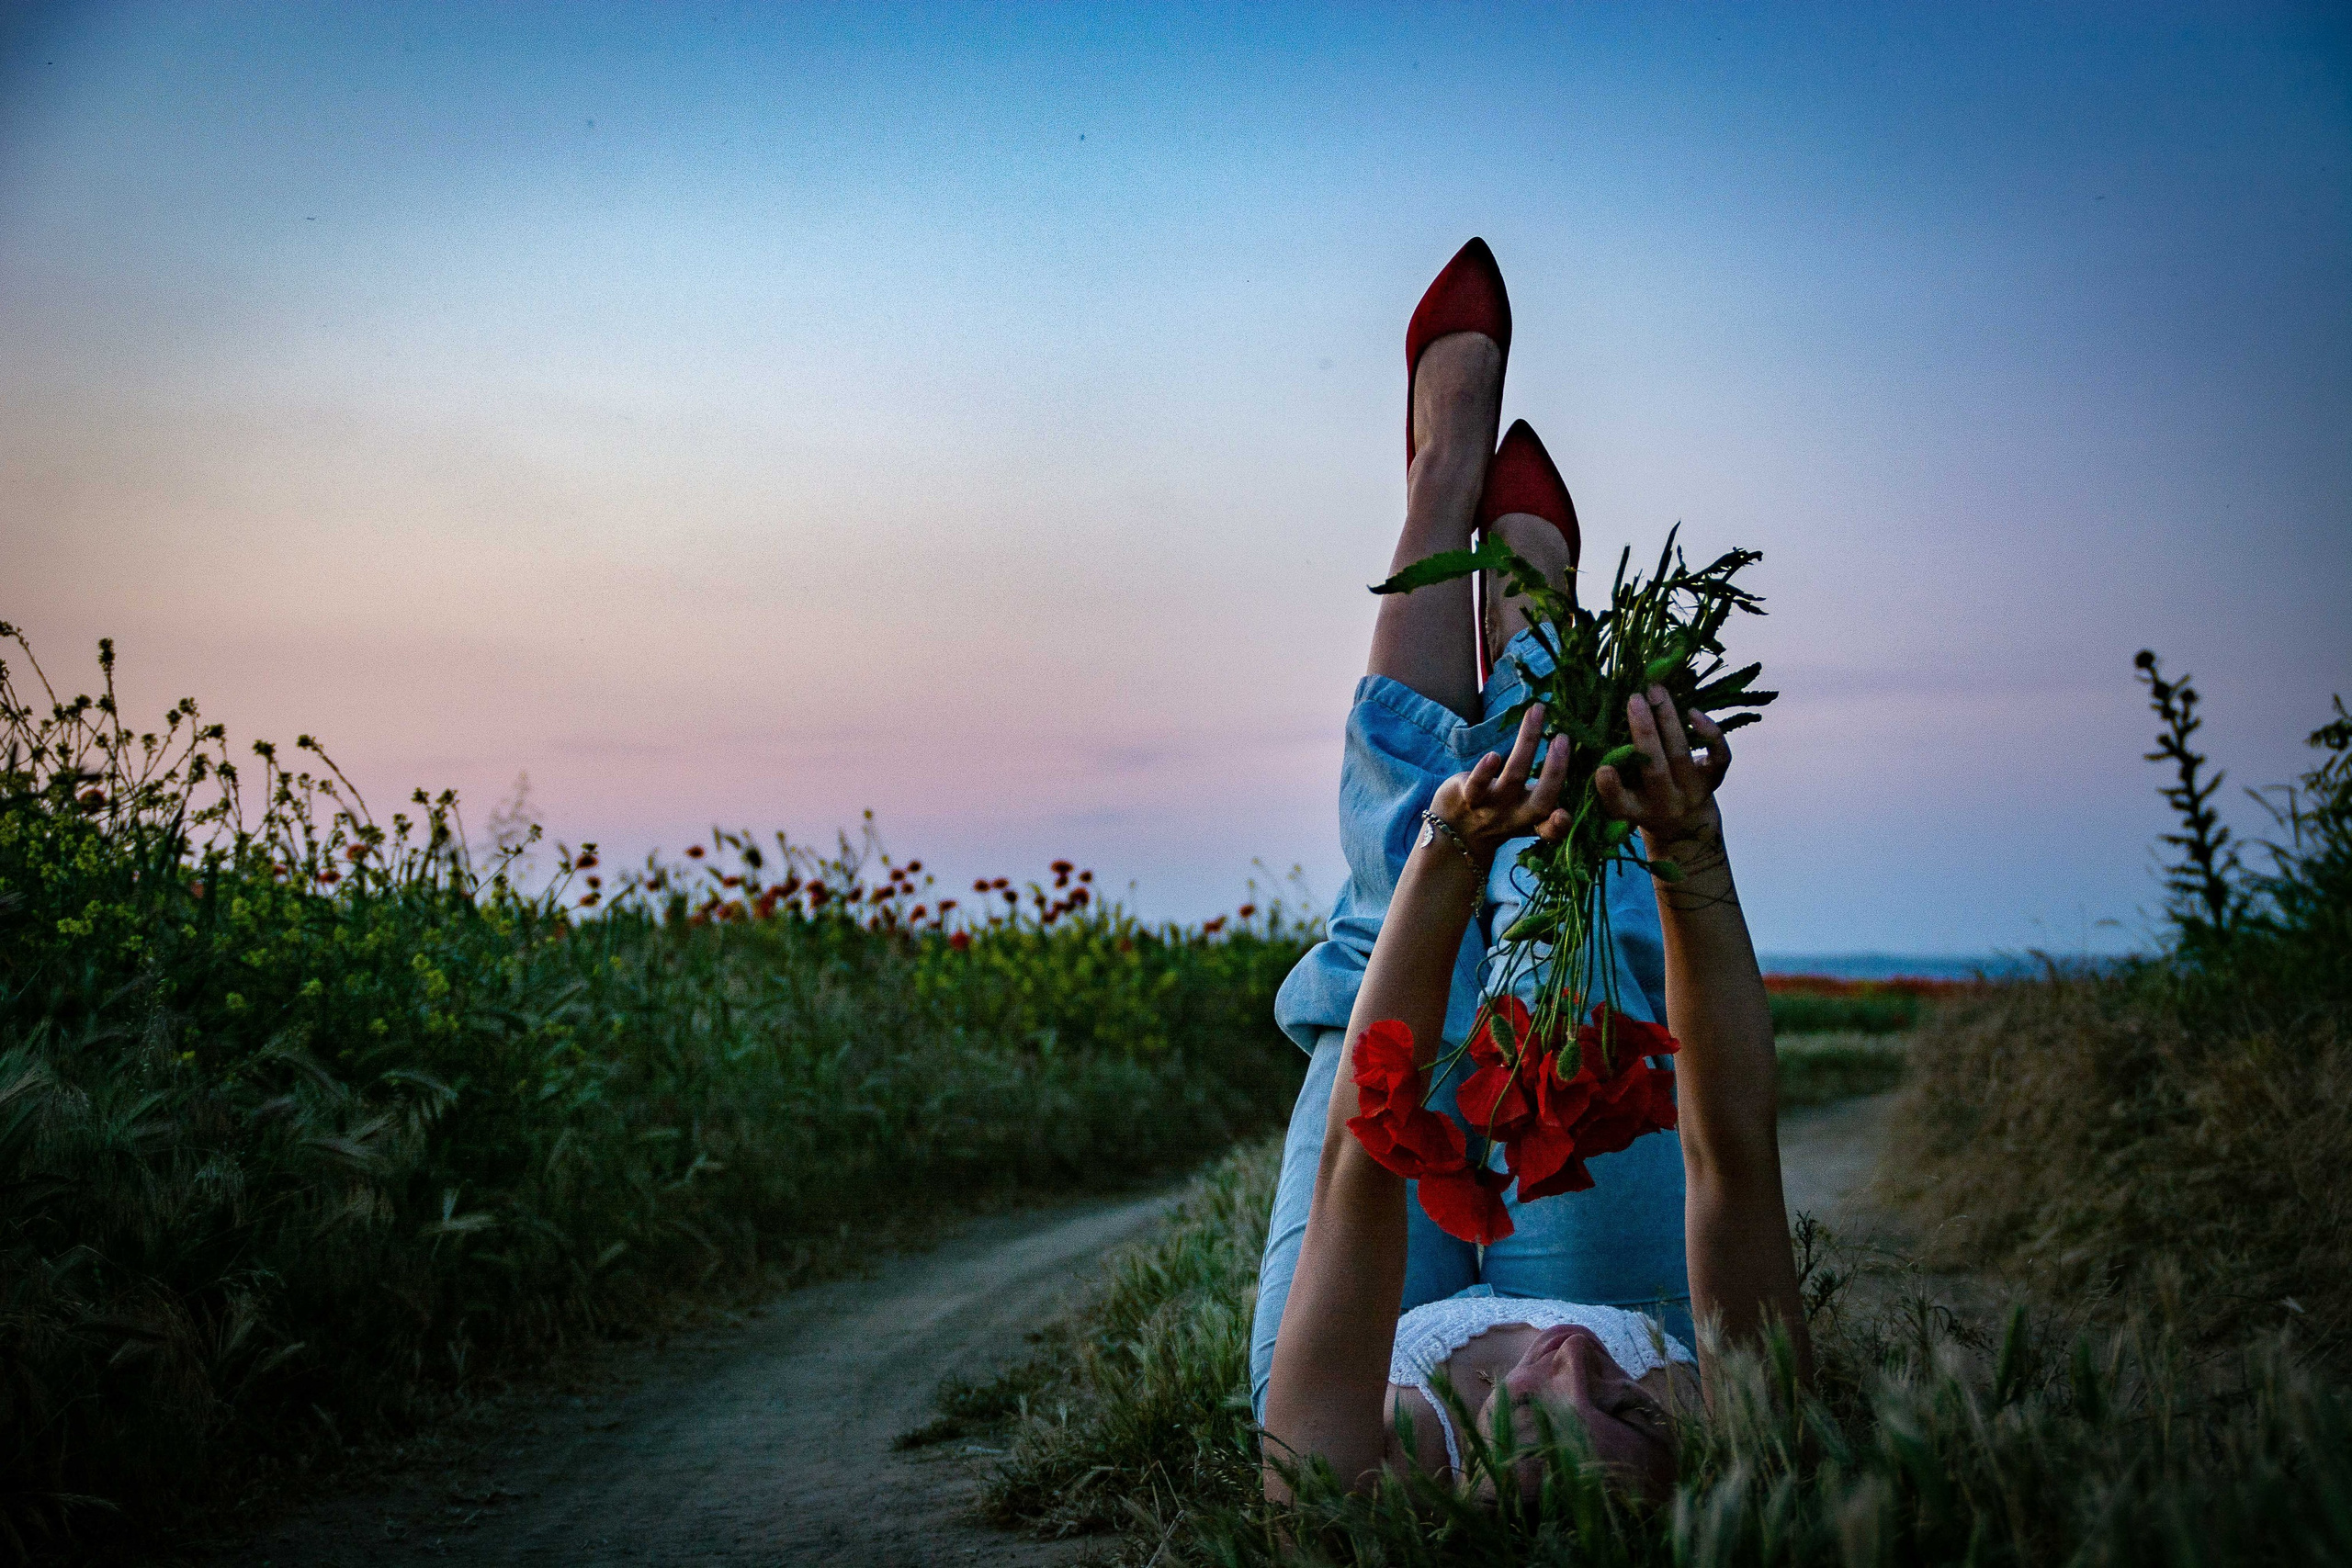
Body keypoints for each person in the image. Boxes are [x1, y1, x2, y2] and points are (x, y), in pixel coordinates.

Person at [1251, 240, 1809, 1502]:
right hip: (1621, 1280)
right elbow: (1732, 1146)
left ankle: (1441, 489)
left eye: (1562, 1424)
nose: (1574, 1362)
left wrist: (1452, 850)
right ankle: (1532, 626)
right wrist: (1685, 846)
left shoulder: (1333, 1490)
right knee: (1583, 910)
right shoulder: (1741, 1438)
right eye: (1636, 1409)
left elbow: (1363, 1153)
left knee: (1378, 952)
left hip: (1364, 1307)